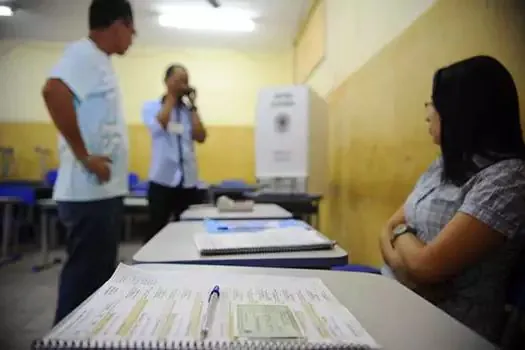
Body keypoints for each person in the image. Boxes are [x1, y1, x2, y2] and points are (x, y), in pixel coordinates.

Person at [379, 55, 525, 343]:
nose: (428, 112)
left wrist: (404, 242)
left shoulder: (508, 180)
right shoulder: (445, 163)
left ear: (463, 110)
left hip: (448, 329)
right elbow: (387, 227)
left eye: (435, 103)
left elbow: (426, 266)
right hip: (398, 298)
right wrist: (407, 270)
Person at [41, 0, 135, 325]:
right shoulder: (84, 54)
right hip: (88, 195)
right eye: (131, 28)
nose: (133, 36)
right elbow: (53, 91)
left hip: (101, 193)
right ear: (118, 25)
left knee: (97, 284)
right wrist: (84, 156)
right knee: (83, 284)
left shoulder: (100, 61)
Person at [142, 64, 207, 243]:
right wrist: (171, 95)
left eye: (186, 81)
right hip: (162, 180)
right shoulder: (151, 107)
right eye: (178, 80)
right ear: (166, 81)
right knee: (156, 231)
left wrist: (193, 106)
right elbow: (160, 124)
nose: (183, 85)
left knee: (188, 232)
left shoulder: (188, 112)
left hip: (188, 182)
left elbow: (201, 136)